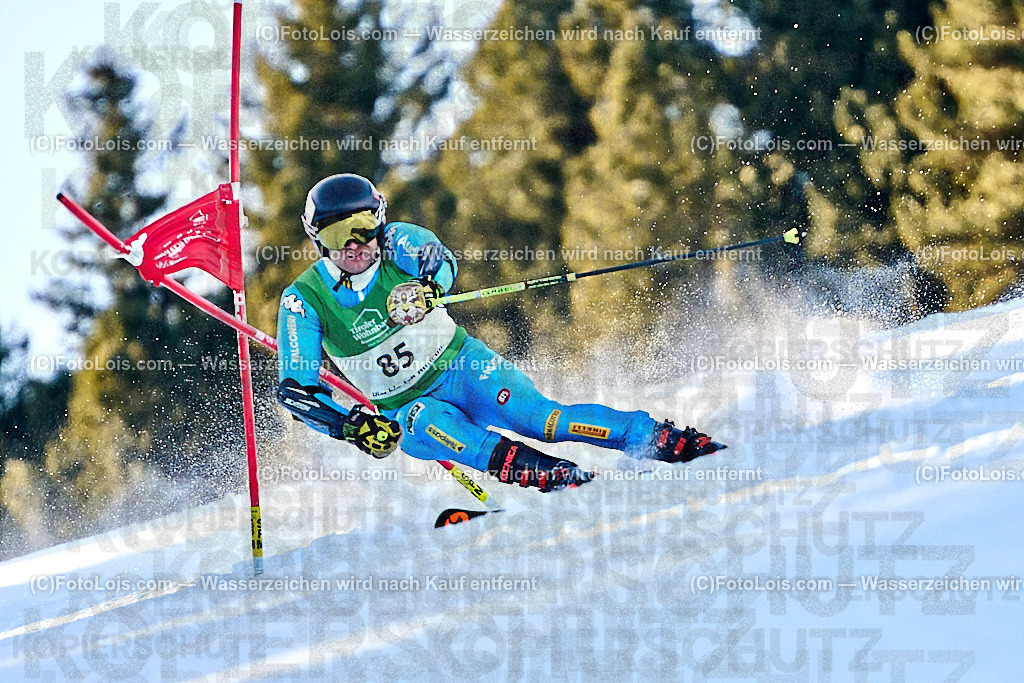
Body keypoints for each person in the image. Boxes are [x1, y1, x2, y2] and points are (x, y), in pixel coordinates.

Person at [275, 173, 723, 492]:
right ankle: (562, 480)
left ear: (380, 220)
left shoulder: (395, 242)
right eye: (337, 234)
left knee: (543, 421)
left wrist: (428, 288)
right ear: (317, 239)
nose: (354, 245)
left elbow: (436, 257)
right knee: (439, 428)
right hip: (407, 407)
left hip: (463, 366)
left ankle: (658, 439)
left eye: (362, 227)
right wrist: (352, 426)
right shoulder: (303, 299)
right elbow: (296, 392)